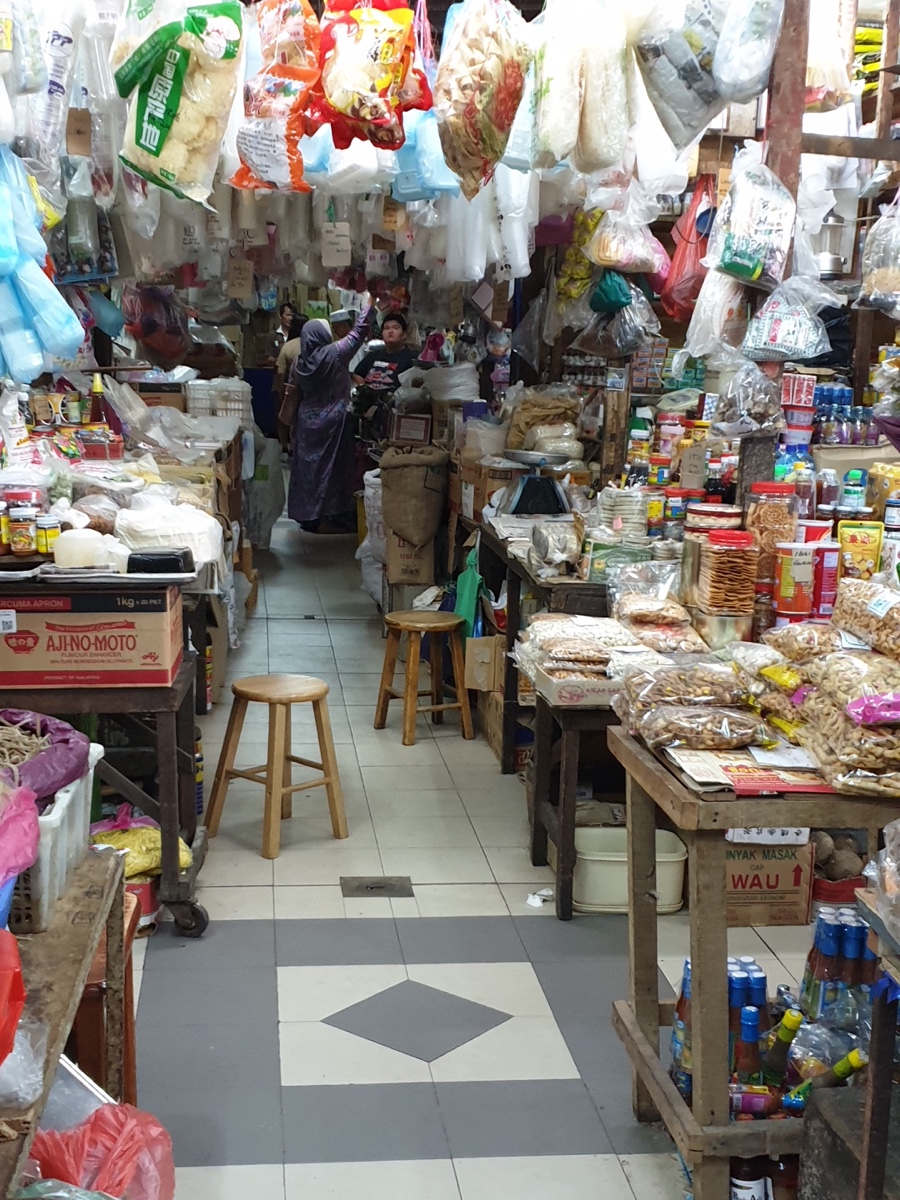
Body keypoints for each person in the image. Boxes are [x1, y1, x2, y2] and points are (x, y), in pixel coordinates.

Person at [286, 305, 376, 533]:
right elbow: (359, 332)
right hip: (334, 421)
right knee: (333, 471)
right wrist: (370, 302)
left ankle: (308, 516)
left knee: (309, 471)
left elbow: (295, 391)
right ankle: (330, 518)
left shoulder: (299, 362)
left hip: (307, 422)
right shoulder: (335, 353)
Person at [351, 313, 415, 393]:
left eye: (395, 328)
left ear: (404, 334)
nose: (390, 331)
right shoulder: (373, 355)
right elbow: (357, 374)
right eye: (386, 328)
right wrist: (362, 388)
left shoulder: (411, 358)